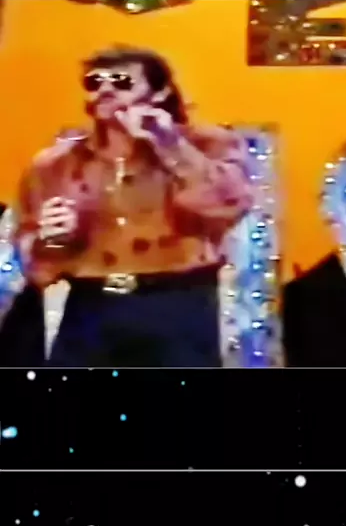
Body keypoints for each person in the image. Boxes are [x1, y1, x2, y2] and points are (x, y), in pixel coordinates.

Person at [3, 46, 253, 366]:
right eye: (94, 83)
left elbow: (230, 204)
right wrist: (51, 241)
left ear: (160, 92)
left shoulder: (207, 145)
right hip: (90, 306)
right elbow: (35, 265)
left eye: (121, 82)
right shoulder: (55, 165)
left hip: (178, 303)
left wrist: (170, 145)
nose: (105, 90)